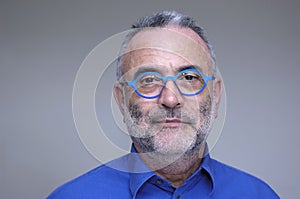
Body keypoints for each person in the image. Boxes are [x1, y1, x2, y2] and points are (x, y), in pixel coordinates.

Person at [47, 11, 279, 198]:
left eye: (189, 78)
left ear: (216, 96)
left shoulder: (260, 195)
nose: (170, 99)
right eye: (149, 80)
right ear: (121, 100)